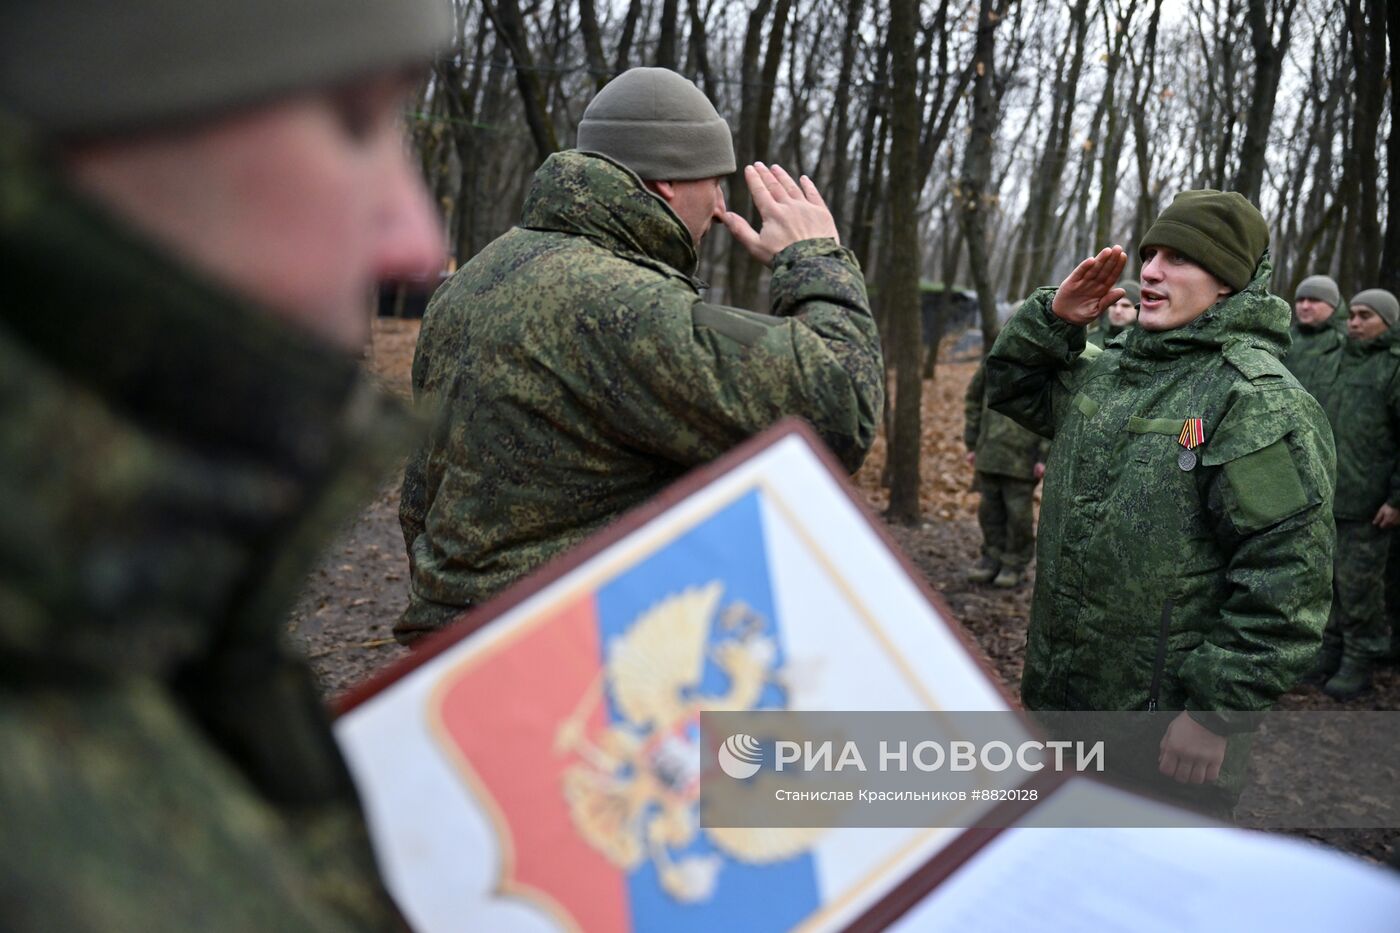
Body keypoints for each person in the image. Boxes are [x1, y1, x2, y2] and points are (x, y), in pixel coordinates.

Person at [0, 1, 451, 927]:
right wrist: (816, 264)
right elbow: (833, 390)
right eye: (354, 123)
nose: (420, 242)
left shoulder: (131, 628)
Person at [397, 67, 885, 643]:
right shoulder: (624, 305)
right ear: (667, 184)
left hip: (454, 649)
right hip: (556, 661)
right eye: (715, 182)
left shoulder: (476, 278)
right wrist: (813, 256)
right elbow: (841, 409)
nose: (722, 205)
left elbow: (420, 496)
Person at [985, 190, 1335, 816]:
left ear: (1227, 283)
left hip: (1160, 737)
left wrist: (1213, 714)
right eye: (1149, 255)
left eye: (1178, 259)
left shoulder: (1253, 399)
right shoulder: (1113, 370)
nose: (1148, 272)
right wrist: (1055, 320)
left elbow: (1288, 578)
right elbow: (1013, 389)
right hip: (1062, 703)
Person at [1306, 288, 1400, 700]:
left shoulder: (1392, 369)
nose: (1355, 322)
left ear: (1388, 321)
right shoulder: (1336, 361)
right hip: (1331, 494)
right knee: (1329, 583)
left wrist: (1397, 499)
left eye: (1366, 315)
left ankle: (1361, 659)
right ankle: (1330, 652)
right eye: (1353, 314)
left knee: (1360, 587)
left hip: (1370, 503)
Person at [964, 359, 1046, 588]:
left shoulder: (1043, 363)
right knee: (989, 511)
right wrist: (972, 442)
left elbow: (1051, 412)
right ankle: (991, 557)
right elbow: (973, 399)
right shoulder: (994, 361)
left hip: (1023, 458)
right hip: (989, 452)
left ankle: (1014, 563)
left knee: (1018, 515)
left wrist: (1043, 456)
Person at [1284, 273, 1346, 401]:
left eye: (1313, 300)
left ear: (1333, 305)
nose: (1305, 306)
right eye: (1300, 300)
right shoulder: (1284, 339)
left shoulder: (1350, 342)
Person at [1086, 279, 1140, 347]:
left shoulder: (1145, 341)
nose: (1117, 311)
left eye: (1126, 306)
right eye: (1113, 305)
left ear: (1138, 309)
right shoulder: (1089, 339)